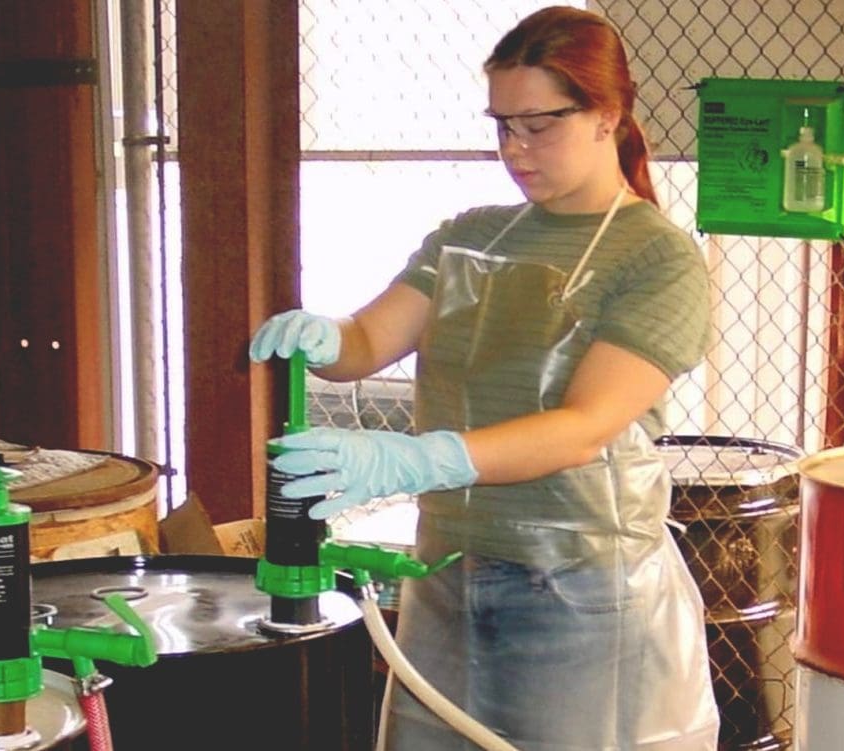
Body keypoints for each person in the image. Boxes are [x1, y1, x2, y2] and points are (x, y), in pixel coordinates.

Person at [250, 6, 719, 750]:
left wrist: (416, 458)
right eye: (502, 125)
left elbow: (583, 426)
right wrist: (322, 336)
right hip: (448, 566)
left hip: (577, 584)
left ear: (608, 114)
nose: (515, 149)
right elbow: (369, 339)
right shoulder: (470, 235)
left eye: (539, 124)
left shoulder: (656, 258)